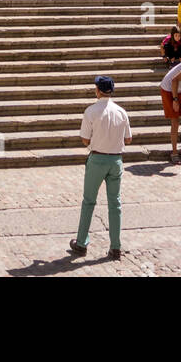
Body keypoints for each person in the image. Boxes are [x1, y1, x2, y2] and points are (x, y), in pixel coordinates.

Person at [69, 76, 131, 261]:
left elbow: (85, 140)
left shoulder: (91, 111)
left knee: (88, 201)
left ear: (98, 90)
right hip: (116, 160)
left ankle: (81, 243)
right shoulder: (121, 111)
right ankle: (115, 247)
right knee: (115, 204)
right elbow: (128, 139)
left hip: (97, 159)